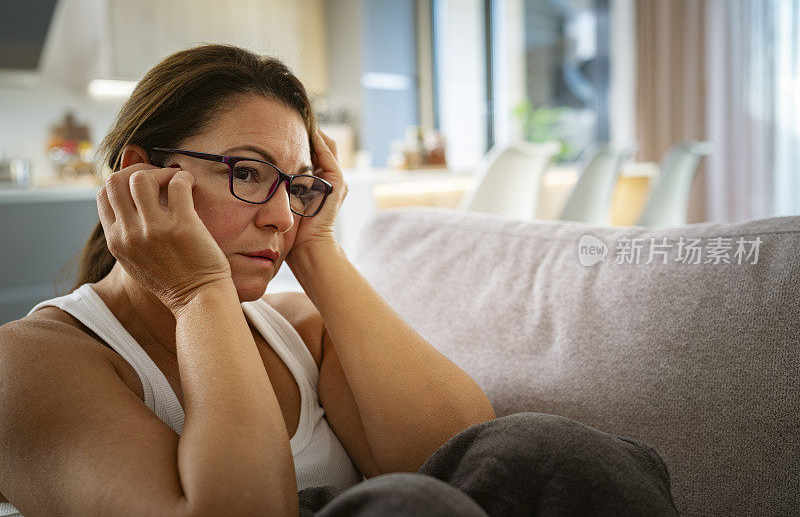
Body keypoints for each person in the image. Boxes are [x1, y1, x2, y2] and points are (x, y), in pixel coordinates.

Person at [0, 44, 677, 517]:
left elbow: (470, 458)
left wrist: (316, 246)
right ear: (140, 174)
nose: (277, 215)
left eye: (295, 185)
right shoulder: (30, 363)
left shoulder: (299, 328)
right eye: (246, 172)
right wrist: (196, 293)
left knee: (547, 447)